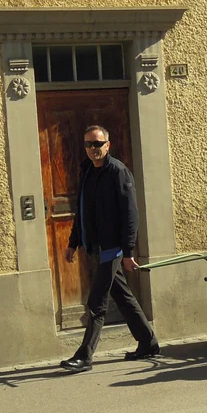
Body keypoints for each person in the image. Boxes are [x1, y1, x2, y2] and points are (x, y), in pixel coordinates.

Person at [59, 125, 159, 373]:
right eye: (89, 145)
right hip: (95, 246)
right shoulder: (87, 171)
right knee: (123, 297)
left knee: (96, 302)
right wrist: (74, 242)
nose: (94, 149)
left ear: (108, 145)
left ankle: (85, 356)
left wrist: (127, 251)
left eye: (98, 144)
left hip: (112, 248)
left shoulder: (118, 172)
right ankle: (148, 342)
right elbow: (83, 210)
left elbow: (130, 214)